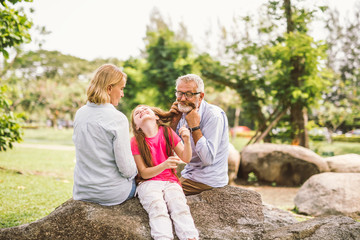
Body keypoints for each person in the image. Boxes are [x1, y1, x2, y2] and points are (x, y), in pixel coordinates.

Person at [72, 63, 137, 206]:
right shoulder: (118, 118)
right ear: (109, 88)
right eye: (121, 89)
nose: (122, 94)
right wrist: (139, 172)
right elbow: (126, 169)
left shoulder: (80, 113)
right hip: (111, 194)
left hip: (82, 191)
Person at [130, 105, 199, 240]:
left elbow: (186, 158)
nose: (142, 111)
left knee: (179, 205)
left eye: (145, 109)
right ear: (136, 126)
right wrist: (165, 165)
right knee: (157, 208)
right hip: (148, 183)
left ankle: (190, 237)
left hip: (170, 181)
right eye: (137, 113)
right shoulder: (135, 142)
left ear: (156, 117)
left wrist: (187, 141)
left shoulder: (167, 132)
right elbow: (143, 173)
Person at [170, 74, 229, 196]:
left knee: (166, 195)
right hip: (189, 173)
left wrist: (195, 127)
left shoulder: (214, 116)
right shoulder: (184, 111)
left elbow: (208, 159)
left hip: (206, 180)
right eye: (179, 93)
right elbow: (171, 148)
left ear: (201, 96)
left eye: (189, 94)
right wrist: (173, 123)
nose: (182, 98)